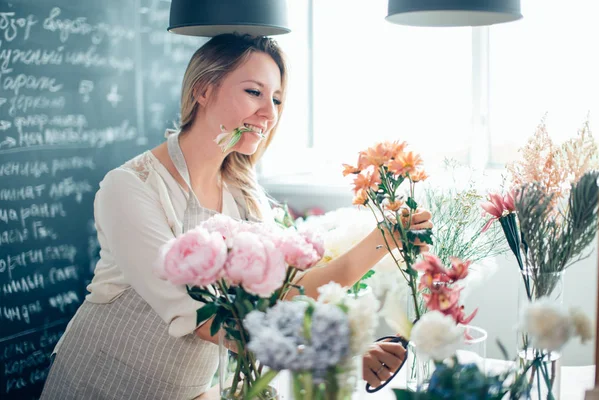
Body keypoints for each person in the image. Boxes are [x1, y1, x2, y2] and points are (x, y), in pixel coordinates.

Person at [40, 33, 432, 399]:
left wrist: (386, 238)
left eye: (276, 99)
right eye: (253, 92)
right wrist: (340, 355)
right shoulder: (130, 188)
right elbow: (203, 318)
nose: (268, 113)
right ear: (203, 90)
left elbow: (283, 295)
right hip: (97, 384)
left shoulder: (245, 198)